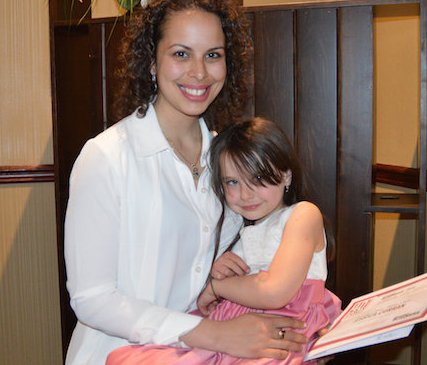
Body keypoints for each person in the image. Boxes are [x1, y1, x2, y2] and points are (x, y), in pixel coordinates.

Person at [63, 0, 309, 364]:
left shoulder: (227, 161)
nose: (199, 72)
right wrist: (216, 334)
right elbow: (92, 299)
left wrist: (295, 340)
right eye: (181, 54)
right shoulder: (107, 158)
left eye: (213, 55)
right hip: (118, 354)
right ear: (151, 61)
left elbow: (250, 270)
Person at [105, 117, 342, 364]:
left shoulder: (302, 214)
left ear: (286, 175)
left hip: (275, 337)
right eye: (232, 182)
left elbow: (274, 292)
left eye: (258, 178)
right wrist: (219, 275)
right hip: (231, 332)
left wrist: (217, 287)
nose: (245, 194)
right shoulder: (240, 228)